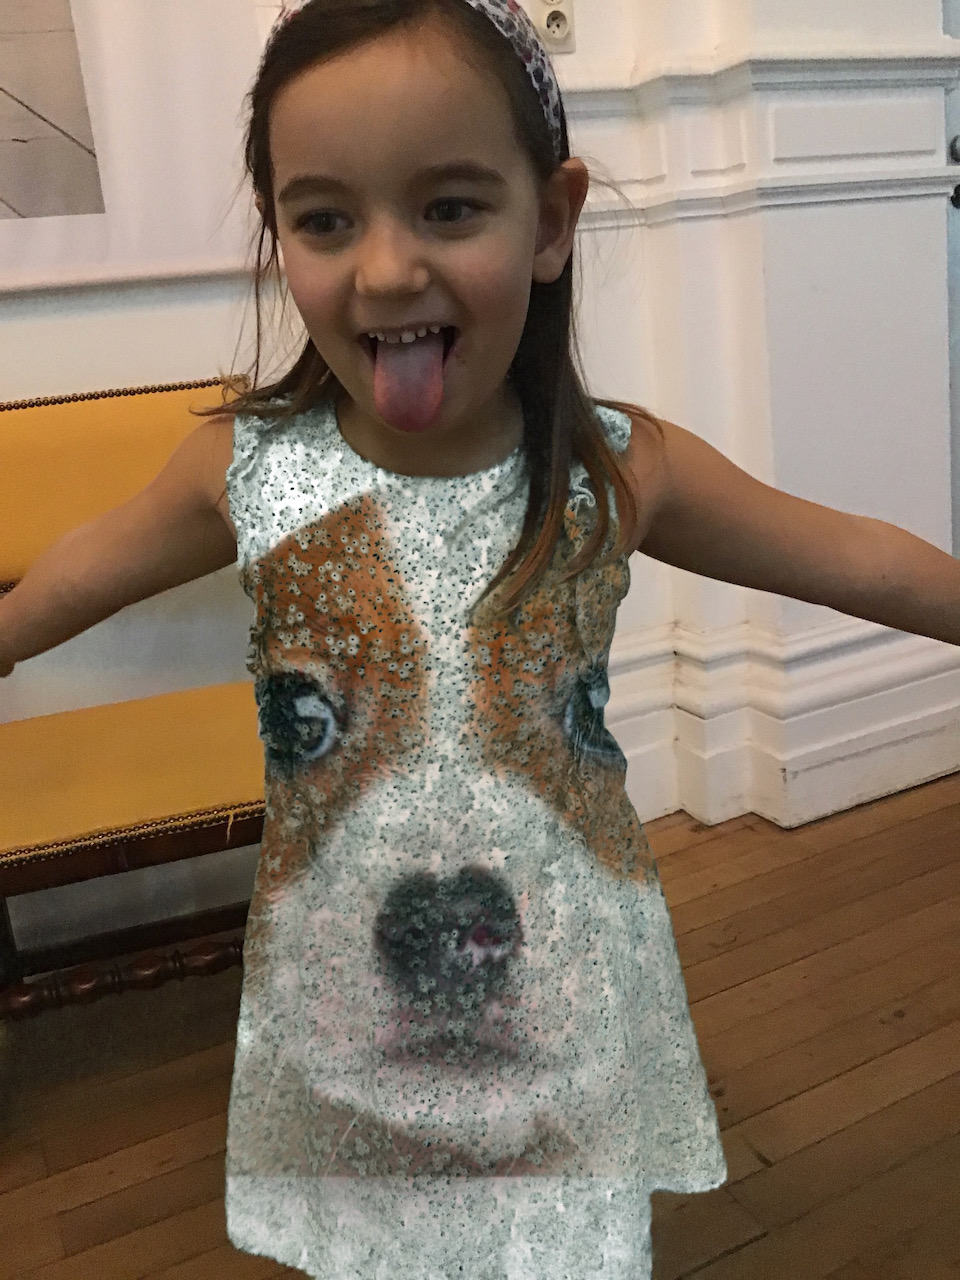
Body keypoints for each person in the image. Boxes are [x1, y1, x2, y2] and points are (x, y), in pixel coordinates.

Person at [2, 1, 958, 1276]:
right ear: (277, 231)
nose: (387, 270)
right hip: (344, 978)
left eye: (449, 207)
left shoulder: (618, 468)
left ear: (551, 220)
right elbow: (81, 568)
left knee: (565, 1243)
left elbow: (856, 554)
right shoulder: (244, 468)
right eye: (325, 219)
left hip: (567, 964)